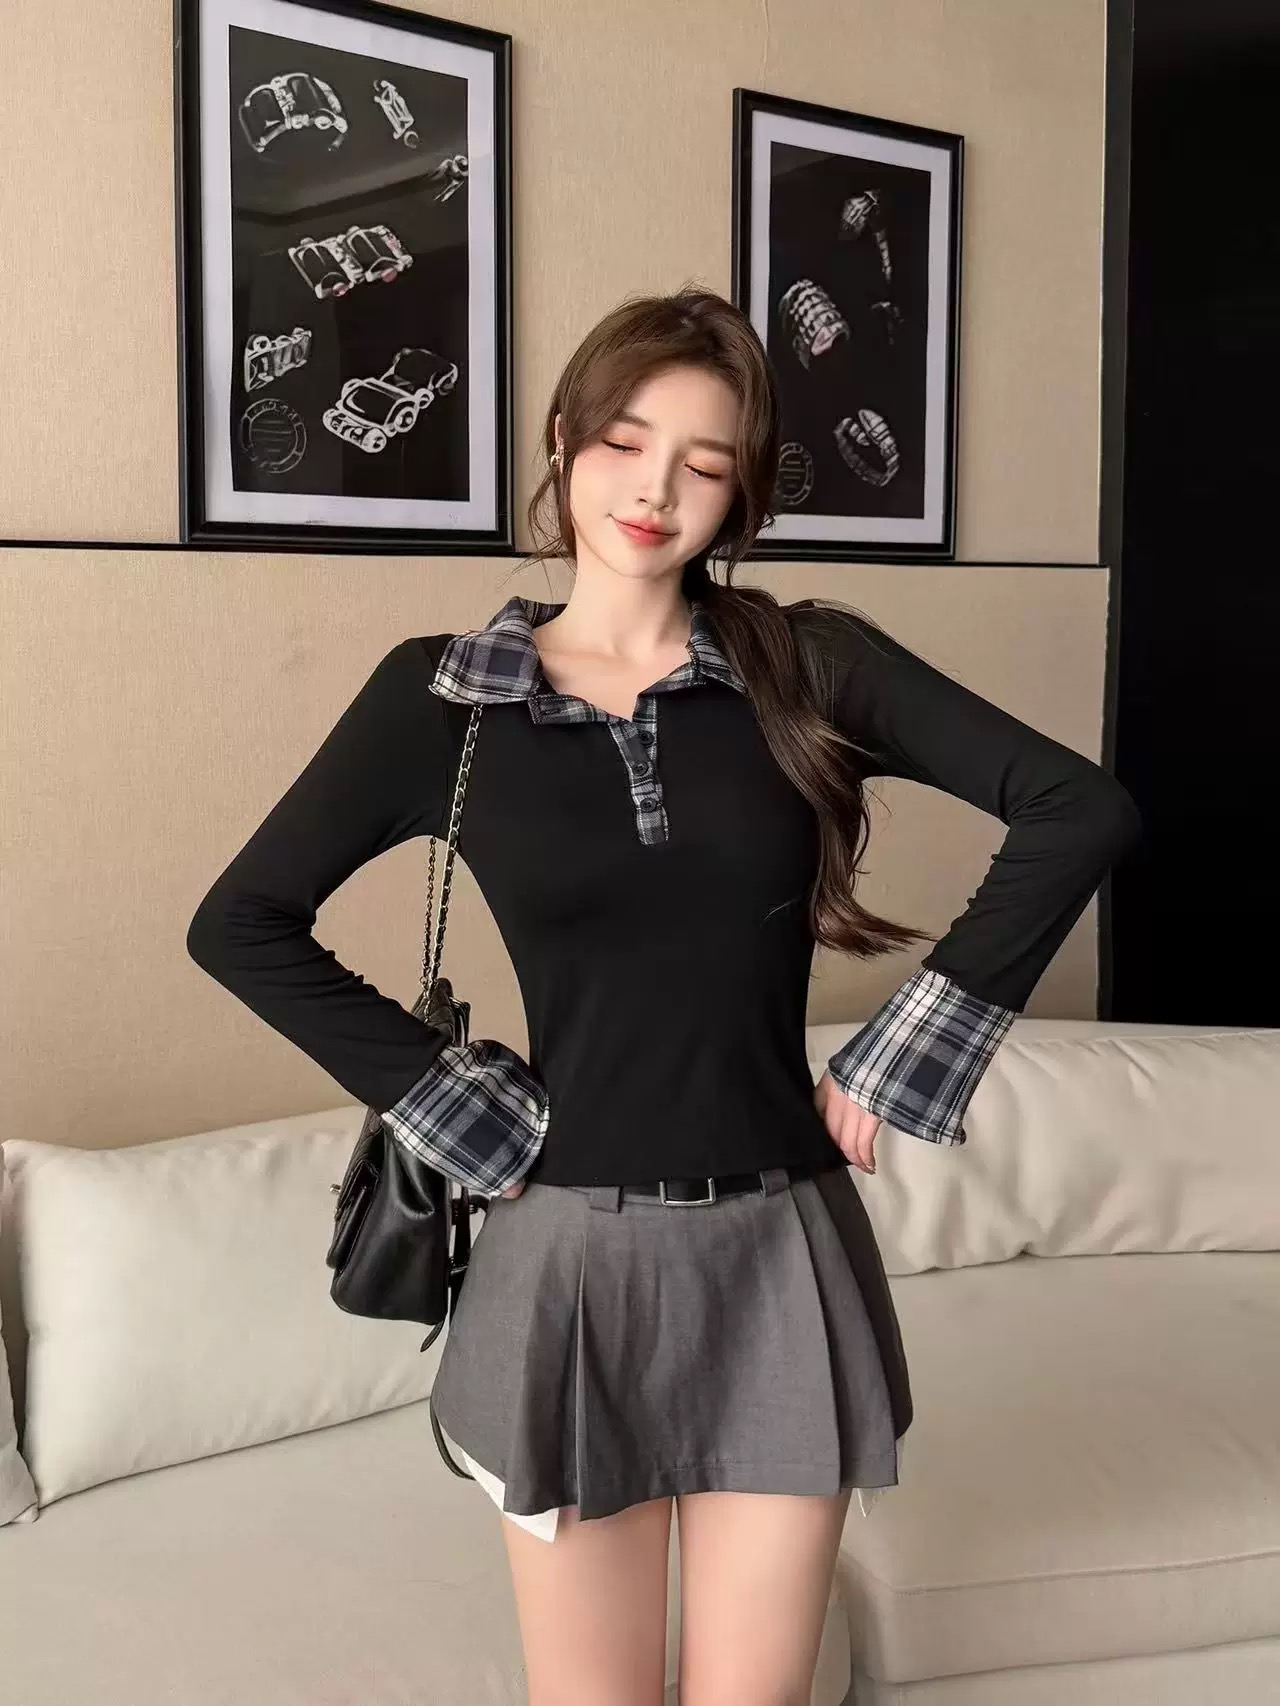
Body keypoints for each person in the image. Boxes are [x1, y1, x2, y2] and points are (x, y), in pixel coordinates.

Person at [186, 285, 1142, 1706]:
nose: (655, 490)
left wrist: (900, 1055)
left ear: (740, 492)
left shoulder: (809, 665)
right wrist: (451, 1100)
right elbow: (240, 924)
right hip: (562, 1258)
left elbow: (1080, 809)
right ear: (564, 442)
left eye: (704, 461)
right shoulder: (444, 699)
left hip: (780, 1248)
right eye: (626, 442)